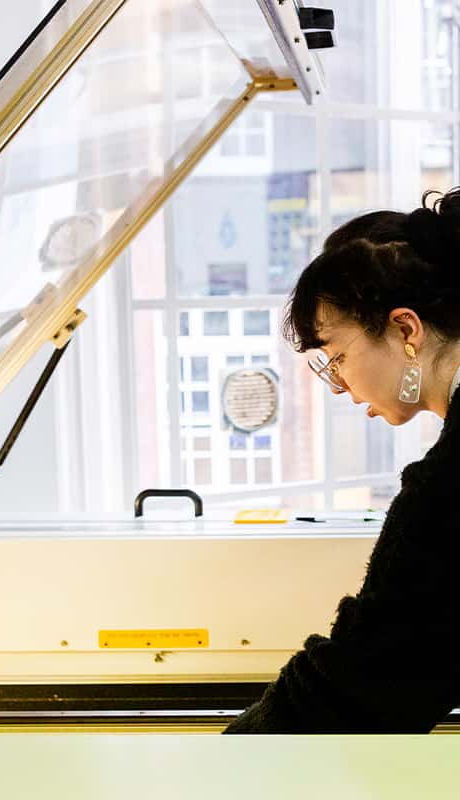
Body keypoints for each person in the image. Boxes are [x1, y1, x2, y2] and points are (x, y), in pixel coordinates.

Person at [223, 186, 460, 734]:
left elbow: (364, 678)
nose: (338, 386)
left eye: (337, 357)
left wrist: (217, 766)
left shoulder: (450, 489)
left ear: (405, 329)